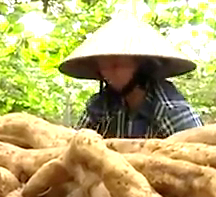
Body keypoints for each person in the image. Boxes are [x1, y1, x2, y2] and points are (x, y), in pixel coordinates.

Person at [58, 12, 204, 139]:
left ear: (143, 66)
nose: (109, 73)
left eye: (116, 65)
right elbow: (75, 148)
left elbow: (201, 153)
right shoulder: (101, 106)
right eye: (103, 66)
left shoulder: (169, 110)